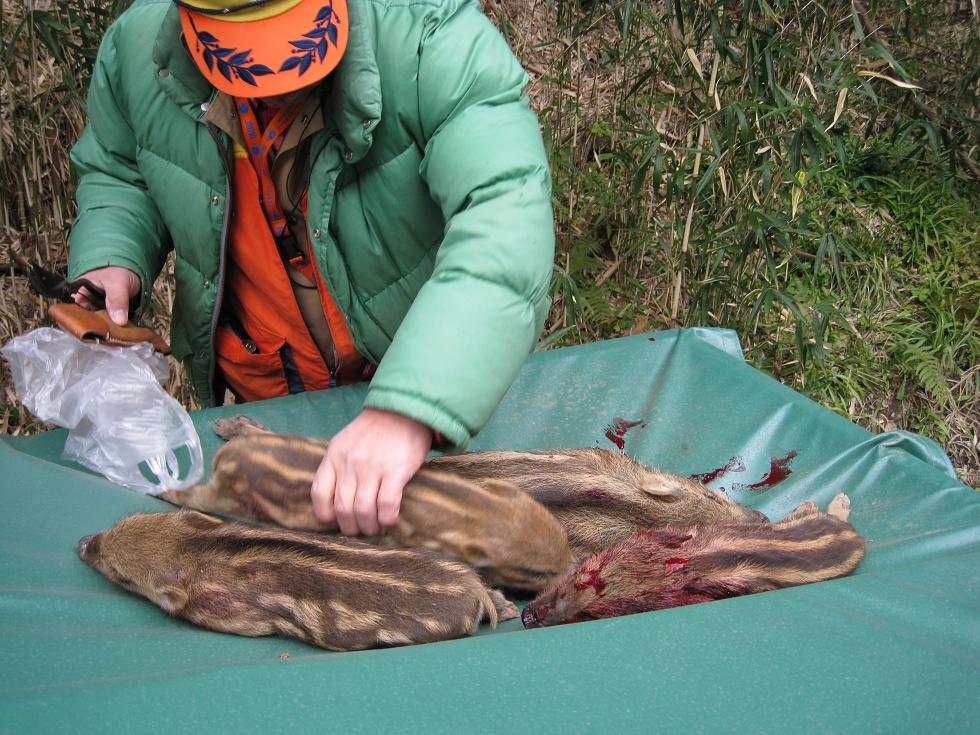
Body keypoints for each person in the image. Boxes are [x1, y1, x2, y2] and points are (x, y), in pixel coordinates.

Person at [67, 0, 555, 536]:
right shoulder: (139, 50)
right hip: (271, 396)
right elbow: (118, 170)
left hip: (426, 390)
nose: (271, 88)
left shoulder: (429, 38)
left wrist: (413, 409)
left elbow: (505, 213)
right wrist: (112, 256)